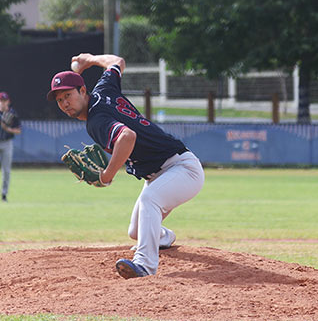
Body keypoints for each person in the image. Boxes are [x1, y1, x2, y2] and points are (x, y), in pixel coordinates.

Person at [47, 53, 205, 279]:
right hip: (160, 174)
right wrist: (90, 60)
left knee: (151, 200)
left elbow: (127, 137)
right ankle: (163, 238)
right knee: (136, 231)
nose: (64, 103)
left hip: (182, 169)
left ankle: (144, 265)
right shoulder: (103, 89)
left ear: (83, 91)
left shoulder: (96, 121)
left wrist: (106, 176)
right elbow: (116, 62)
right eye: (60, 100)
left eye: (68, 96)